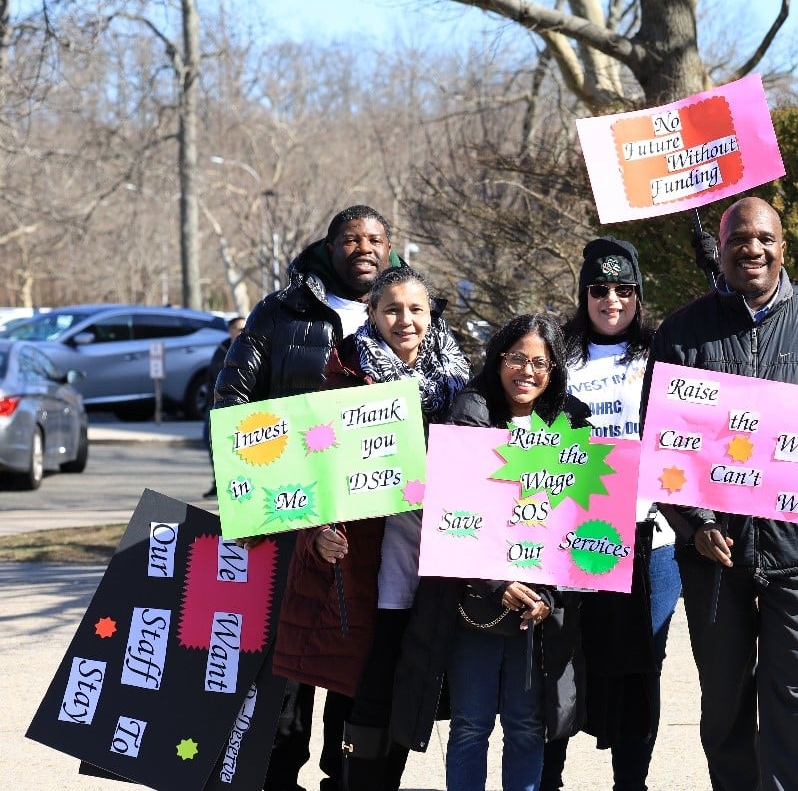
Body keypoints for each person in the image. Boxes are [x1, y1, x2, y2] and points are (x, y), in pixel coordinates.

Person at [645, 196, 798, 791]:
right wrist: (693, 523)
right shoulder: (681, 333)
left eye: (763, 238)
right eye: (737, 240)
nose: (751, 249)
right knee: (724, 705)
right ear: (719, 250)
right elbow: (662, 444)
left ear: (783, 246)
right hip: (713, 555)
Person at [214, 205, 398, 791]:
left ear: (390, 250)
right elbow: (232, 401)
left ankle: (339, 781)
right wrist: (256, 489)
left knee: (352, 675)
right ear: (329, 246)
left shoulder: (407, 313)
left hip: (374, 530)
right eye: (350, 239)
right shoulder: (281, 310)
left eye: (374, 239)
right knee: (286, 678)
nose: (363, 248)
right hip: (292, 516)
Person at [272, 265, 469, 790]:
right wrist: (317, 534)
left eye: (416, 309)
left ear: (431, 314)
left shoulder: (462, 384)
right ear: (372, 314)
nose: (405, 320)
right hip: (362, 561)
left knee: (408, 687)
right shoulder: (342, 377)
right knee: (361, 686)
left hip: (432, 557)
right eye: (392, 309)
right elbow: (307, 475)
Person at [391, 314, 586, 791]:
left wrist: (542, 590)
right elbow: (452, 511)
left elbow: (580, 521)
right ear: (498, 359)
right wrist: (498, 582)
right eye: (516, 358)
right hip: (474, 602)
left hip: (538, 609)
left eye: (540, 362)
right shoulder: (469, 413)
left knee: (525, 726)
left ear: (555, 369)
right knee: (471, 726)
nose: (527, 371)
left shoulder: (574, 422)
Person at [543, 238, 681, 791]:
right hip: (572, 536)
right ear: (583, 294)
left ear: (639, 295)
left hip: (653, 537)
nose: (611, 300)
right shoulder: (560, 355)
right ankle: (546, 780)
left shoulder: (660, 355)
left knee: (641, 670)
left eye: (625, 289)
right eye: (598, 289)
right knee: (562, 664)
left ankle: (632, 782)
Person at [203, 316, 247, 496]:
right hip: (218, 404)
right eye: (237, 328)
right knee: (211, 441)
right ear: (230, 331)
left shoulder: (252, 348)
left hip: (243, 406)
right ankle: (218, 482)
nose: (241, 332)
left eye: (244, 328)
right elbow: (212, 377)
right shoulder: (222, 350)